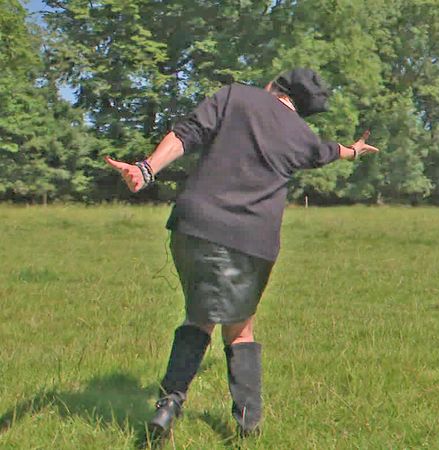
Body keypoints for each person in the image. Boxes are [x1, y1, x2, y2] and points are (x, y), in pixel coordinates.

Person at [105, 68, 379, 437]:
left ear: (274, 86)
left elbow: (188, 133)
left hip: (194, 227)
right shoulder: (303, 136)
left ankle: (169, 403)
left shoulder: (235, 95)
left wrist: (147, 168)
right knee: (239, 328)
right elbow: (330, 151)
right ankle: (247, 428)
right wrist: (354, 151)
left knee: (198, 316)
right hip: (252, 239)